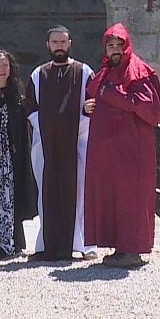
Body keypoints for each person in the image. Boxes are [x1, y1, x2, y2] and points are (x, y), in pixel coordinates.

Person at [83, 23, 160, 268]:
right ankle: (120, 247)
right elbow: (95, 97)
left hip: (132, 151)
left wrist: (111, 95)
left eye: (119, 45)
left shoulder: (138, 71)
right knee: (114, 197)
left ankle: (132, 250)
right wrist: (88, 108)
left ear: (127, 45)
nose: (115, 50)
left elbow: (149, 110)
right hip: (109, 153)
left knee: (132, 198)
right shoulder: (106, 72)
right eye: (111, 45)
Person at [25, 25, 97, 261]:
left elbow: (93, 104)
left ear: (70, 44)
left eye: (63, 42)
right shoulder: (38, 75)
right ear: (48, 45)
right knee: (46, 192)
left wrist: (79, 123)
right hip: (45, 145)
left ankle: (83, 244)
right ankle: (47, 244)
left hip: (78, 144)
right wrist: (48, 128)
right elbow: (30, 107)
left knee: (78, 192)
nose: (59, 46)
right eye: (54, 42)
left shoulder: (84, 72)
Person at [0, 50, 37, 258]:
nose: (2, 69)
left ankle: (13, 243)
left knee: (10, 197)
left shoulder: (17, 97)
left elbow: (23, 129)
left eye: (5, 65)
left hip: (11, 158)